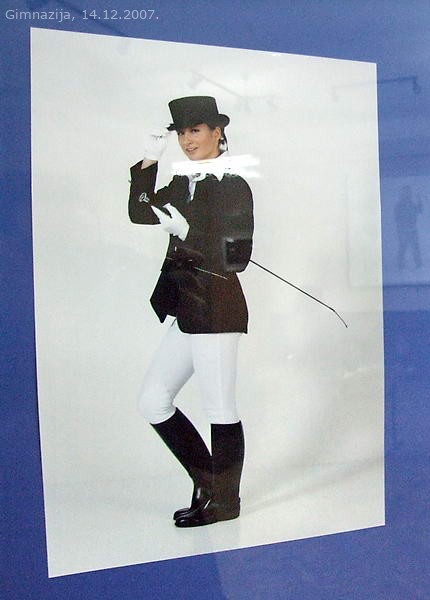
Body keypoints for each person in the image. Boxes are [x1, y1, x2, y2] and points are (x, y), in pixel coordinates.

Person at [128, 96, 254, 526]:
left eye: (195, 130)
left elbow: (238, 258)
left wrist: (189, 232)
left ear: (218, 132)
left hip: (218, 308)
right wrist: (149, 160)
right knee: (152, 400)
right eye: (181, 132)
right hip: (187, 307)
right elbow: (139, 212)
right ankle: (207, 483)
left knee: (219, 407)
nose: (186, 140)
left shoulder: (235, 185)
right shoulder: (182, 184)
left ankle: (226, 502)